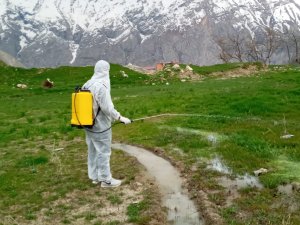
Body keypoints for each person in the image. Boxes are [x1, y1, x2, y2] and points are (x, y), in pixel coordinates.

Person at [82, 60, 131, 188]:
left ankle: (95, 177)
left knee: (93, 150)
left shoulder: (87, 84)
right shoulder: (101, 86)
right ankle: (106, 180)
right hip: (100, 126)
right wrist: (120, 117)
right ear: (106, 71)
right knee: (103, 152)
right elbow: (107, 108)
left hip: (87, 124)